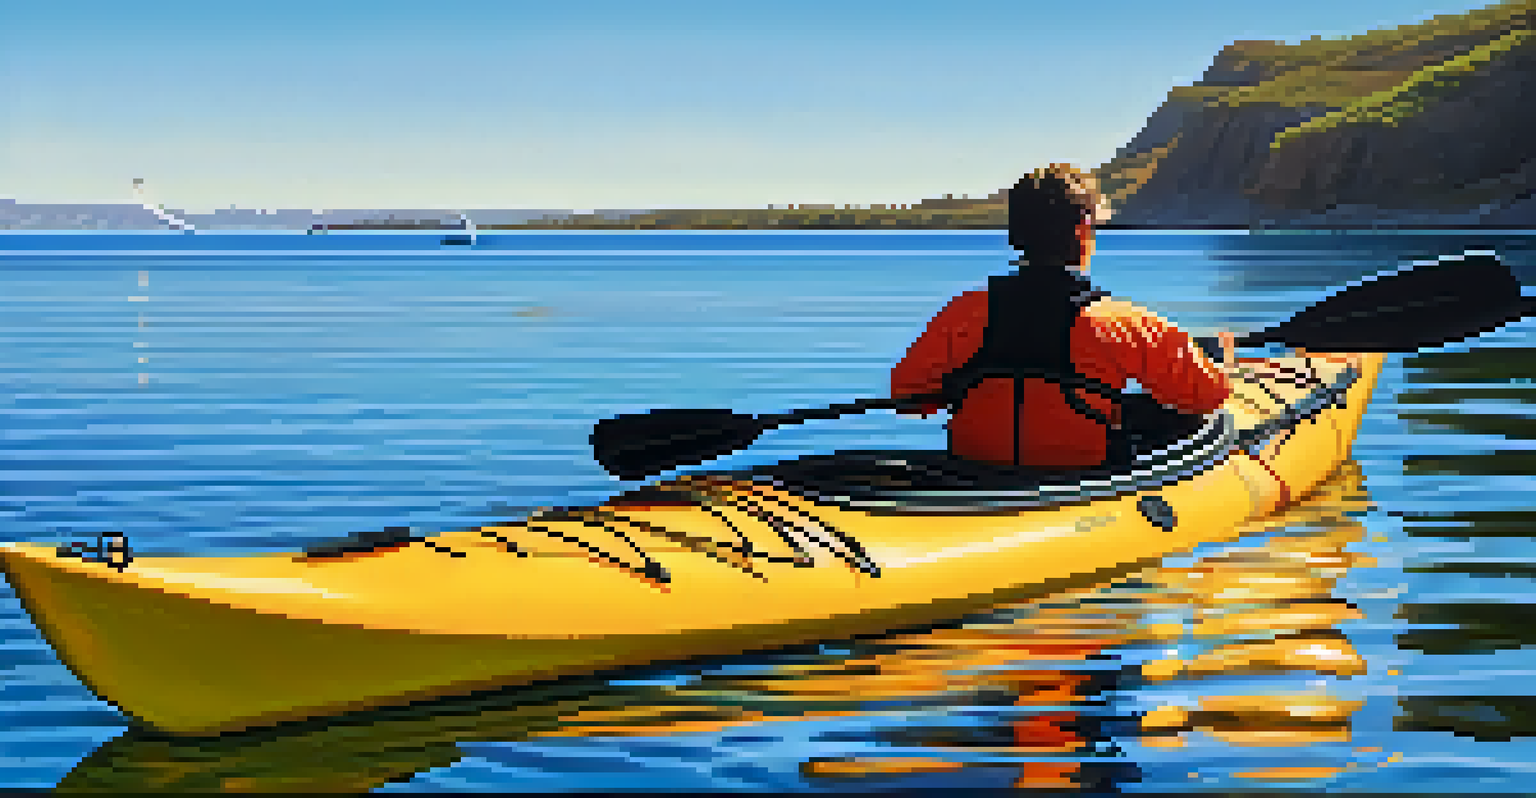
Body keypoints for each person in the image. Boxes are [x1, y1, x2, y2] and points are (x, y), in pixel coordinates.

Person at [890, 164, 1237, 471]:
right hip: (1079, 477)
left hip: (976, 468)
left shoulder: (962, 312)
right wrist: (1220, 361)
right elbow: (1207, 397)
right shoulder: (1121, 322)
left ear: (1015, 235)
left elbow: (907, 398)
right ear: (1083, 230)